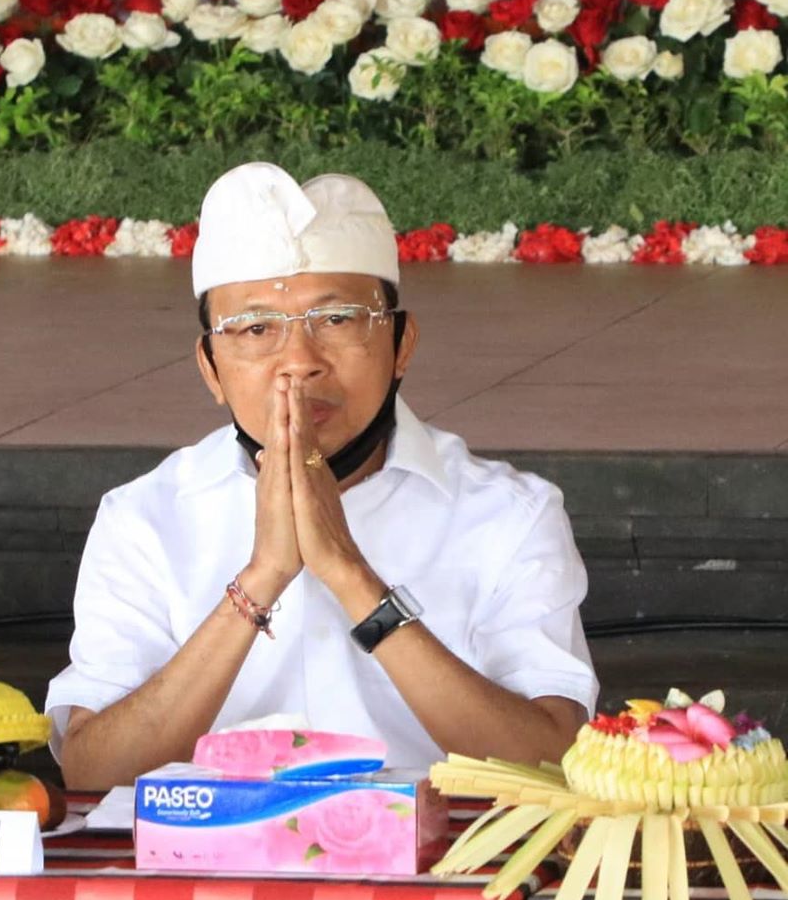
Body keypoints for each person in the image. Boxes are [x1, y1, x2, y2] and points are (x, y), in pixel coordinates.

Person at [45, 162, 598, 790]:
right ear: (209, 368)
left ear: (402, 344)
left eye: (337, 321)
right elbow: (91, 772)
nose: (300, 363)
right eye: (255, 329)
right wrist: (261, 579)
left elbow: (557, 762)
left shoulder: (509, 515)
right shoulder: (144, 517)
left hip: (445, 873)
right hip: (205, 870)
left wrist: (348, 573)